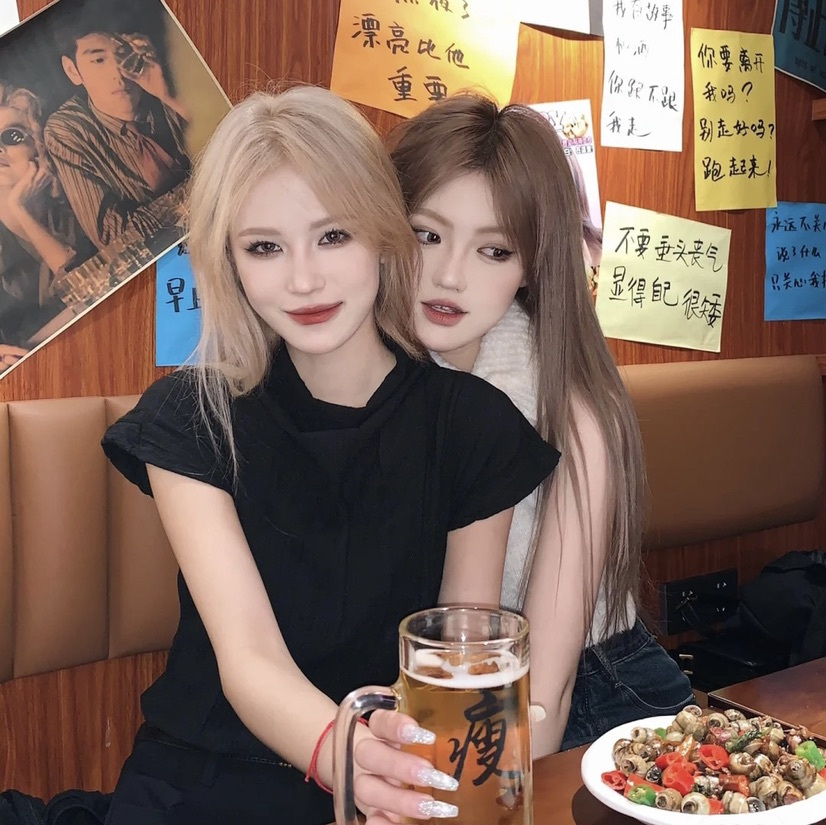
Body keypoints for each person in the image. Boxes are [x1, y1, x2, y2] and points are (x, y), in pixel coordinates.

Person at [100, 86, 559, 825]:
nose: (303, 279)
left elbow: (461, 652)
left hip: (394, 774)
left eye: (334, 236)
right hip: (209, 776)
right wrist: (353, 761)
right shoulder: (192, 417)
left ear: (383, 232)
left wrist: (416, 779)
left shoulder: (473, 426)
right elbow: (249, 659)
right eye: (264, 247)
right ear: (229, 262)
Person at [388, 93, 695, 760]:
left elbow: (545, 700)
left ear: (532, 265)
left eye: (494, 250)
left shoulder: (570, 405)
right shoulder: (373, 377)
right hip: (444, 685)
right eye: (426, 234)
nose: (449, 275)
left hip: (594, 694)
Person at [44, 11, 190, 250]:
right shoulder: (68, 129)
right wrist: (196, 188)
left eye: (125, 54)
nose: (119, 74)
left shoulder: (165, 81)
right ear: (72, 70)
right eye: (98, 60)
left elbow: (235, 146)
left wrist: (169, 96)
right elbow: (113, 237)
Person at [0, 81, 92, 371]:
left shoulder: (76, 210)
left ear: (38, 146)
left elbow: (89, 288)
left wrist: (20, 210)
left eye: (11, 136)